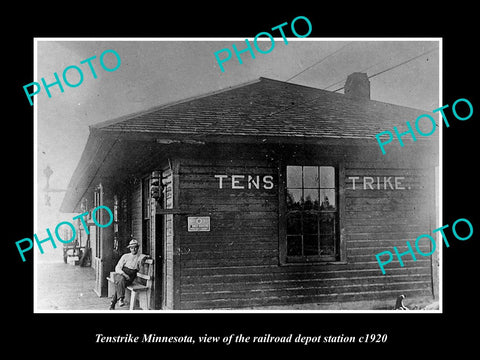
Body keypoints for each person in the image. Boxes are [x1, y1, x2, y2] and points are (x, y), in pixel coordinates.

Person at [109, 239, 147, 310]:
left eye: (135, 247)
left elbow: (146, 257)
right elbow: (117, 267)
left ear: (138, 248)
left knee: (120, 282)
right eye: (132, 248)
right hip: (122, 273)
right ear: (130, 248)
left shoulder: (140, 256)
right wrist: (124, 274)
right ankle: (120, 299)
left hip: (131, 275)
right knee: (121, 280)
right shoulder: (125, 256)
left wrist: (144, 259)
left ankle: (113, 303)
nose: (134, 249)